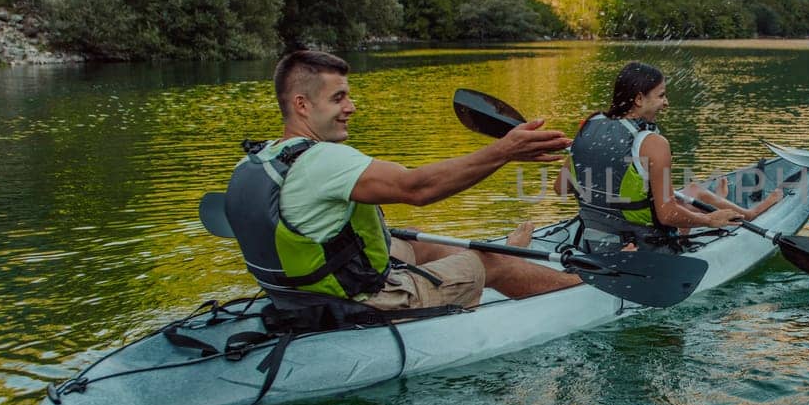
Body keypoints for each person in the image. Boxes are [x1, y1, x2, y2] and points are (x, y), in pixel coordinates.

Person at [225, 49, 581, 313]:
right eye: (338, 98)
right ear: (302, 105)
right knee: (490, 264)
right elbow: (417, 188)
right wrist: (504, 151)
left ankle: (511, 249)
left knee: (409, 240)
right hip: (359, 301)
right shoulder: (323, 160)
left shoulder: (260, 158)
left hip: (298, 294)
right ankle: (579, 288)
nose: (351, 106)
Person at [556, 61, 782, 243]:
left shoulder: (588, 128)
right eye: (661, 95)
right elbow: (667, 215)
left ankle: (729, 204)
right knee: (686, 198)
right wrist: (709, 219)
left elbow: (561, 188)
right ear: (638, 99)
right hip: (643, 244)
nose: (666, 103)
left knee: (692, 189)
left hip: (593, 239)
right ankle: (743, 212)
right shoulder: (654, 143)